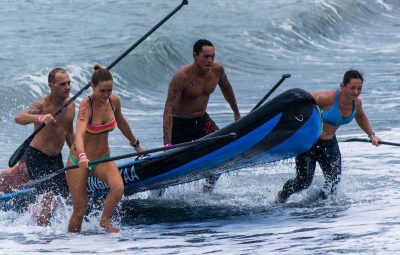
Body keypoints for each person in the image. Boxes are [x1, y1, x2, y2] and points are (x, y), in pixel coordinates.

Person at [276, 69, 381, 203]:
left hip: (329, 143)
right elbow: (301, 100)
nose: (356, 92)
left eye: (359, 88)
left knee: (334, 181)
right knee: (303, 181)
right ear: (342, 86)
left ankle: (322, 207)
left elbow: (360, 116)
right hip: (309, 143)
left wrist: (372, 135)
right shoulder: (327, 99)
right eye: (352, 88)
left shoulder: (357, 103)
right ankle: (282, 196)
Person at [66, 64, 144, 234]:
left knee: (118, 188)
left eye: (109, 90)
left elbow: (122, 123)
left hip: (103, 159)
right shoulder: (86, 107)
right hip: (78, 160)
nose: (106, 95)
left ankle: (104, 220)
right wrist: (82, 156)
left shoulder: (114, 101)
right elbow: (78, 135)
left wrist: (137, 145)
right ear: (92, 87)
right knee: (80, 210)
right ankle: (70, 245)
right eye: (102, 91)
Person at [163, 39, 241, 193]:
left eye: (212, 56)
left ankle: (207, 189)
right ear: (195, 55)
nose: (210, 61)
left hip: (202, 120)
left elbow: (227, 88)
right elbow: (168, 111)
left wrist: (236, 113)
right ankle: (157, 194)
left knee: (223, 148)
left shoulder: (217, 70)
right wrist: (167, 146)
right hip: (180, 124)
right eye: (205, 56)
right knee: (170, 163)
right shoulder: (182, 77)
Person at [0, 68, 75, 225]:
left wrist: (79, 155)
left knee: (62, 196)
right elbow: (19, 118)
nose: (67, 87)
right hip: (36, 156)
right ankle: (41, 237)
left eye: (69, 83)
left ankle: (34, 210)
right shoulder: (42, 105)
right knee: (48, 196)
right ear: (51, 86)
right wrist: (40, 117)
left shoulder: (70, 107)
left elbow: (69, 134)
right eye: (62, 84)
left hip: (56, 158)